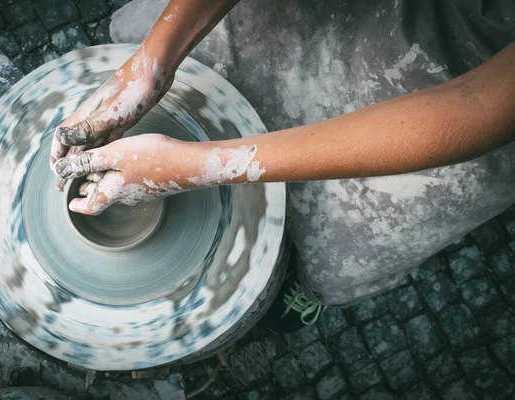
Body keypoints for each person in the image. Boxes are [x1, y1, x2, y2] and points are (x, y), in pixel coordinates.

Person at [50, 0, 515, 333]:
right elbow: (158, 50)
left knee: (351, 242)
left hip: (478, 81)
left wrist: (207, 166)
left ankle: (308, 285)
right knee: (147, 25)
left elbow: (477, 105)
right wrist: (153, 62)